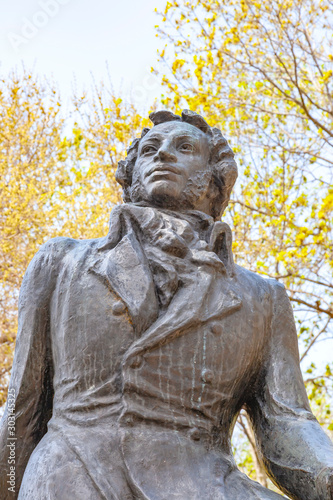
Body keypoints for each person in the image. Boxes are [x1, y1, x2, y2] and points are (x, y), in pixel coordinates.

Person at [0, 109, 332, 499]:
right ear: (130, 174)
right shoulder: (62, 262)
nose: (163, 155)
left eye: (184, 147)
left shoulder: (262, 297)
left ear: (215, 178)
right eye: (150, 149)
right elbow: (22, 408)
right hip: (74, 475)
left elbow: (286, 423)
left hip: (202, 482)